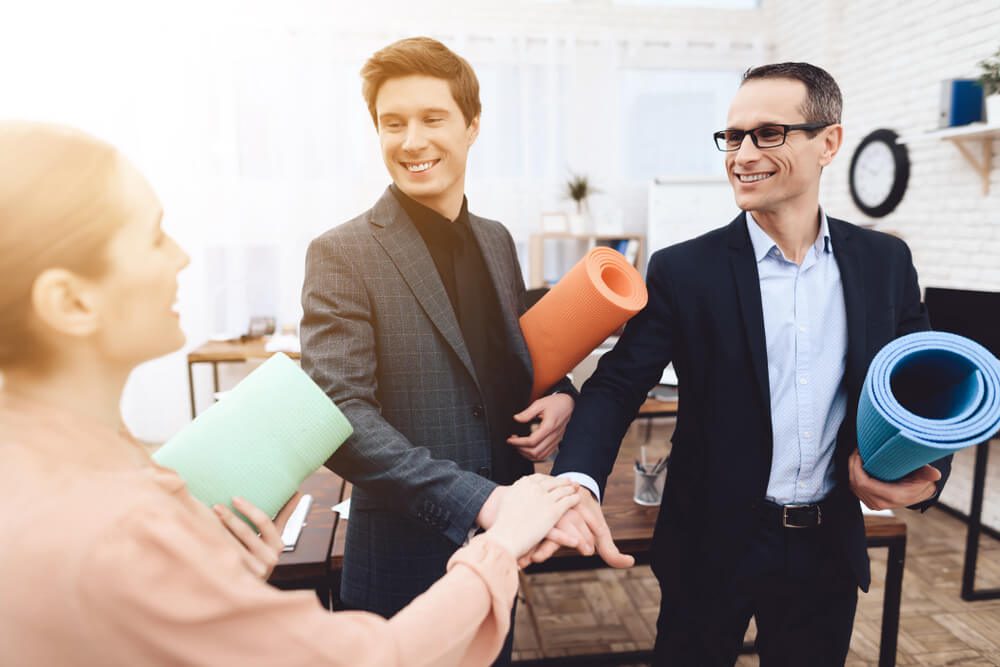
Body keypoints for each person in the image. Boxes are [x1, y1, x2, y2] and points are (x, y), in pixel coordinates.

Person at [0, 120, 583, 666]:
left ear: (471, 125)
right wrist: (501, 543)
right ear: (70, 302)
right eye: (154, 237)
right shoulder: (116, 533)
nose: (180, 256)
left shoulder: (64, 462)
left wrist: (215, 586)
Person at [541, 63, 953, 665]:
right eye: (733, 137)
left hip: (826, 547)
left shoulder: (884, 262)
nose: (742, 154)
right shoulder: (684, 270)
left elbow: (925, 385)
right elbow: (618, 385)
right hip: (710, 543)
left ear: (828, 142)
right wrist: (577, 482)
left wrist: (923, 473)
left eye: (768, 133)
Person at [299, 36, 631, 663]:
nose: (411, 141)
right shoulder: (342, 253)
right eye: (392, 124)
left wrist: (560, 395)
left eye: (432, 119)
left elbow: (513, 355)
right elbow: (338, 419)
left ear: (472, 126)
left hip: (502, 557)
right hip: (405, 562)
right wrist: (485, 502)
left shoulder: (495, 239)